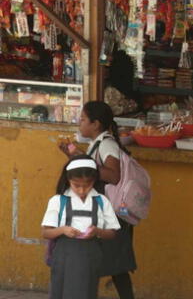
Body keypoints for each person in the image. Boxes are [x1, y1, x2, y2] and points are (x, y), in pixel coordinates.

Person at [59, 101, 136, 299]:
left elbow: (113, 175)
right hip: (105, 212)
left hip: (111, 213)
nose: (79, 123)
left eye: (83, 119)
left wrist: (85, 162)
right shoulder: (98, 143)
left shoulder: (107, 143)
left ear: (96, 124)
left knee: (111, 263)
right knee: (115, 264)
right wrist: (74, 156)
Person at [42, 155, 120, 299]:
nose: (82, 190)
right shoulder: (58, 201)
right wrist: (63, 229)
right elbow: (46, 232)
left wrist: (97, 231)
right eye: (76, 185)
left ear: (94, 181)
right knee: (62, 293)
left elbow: (112, 233)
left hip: (90, 257)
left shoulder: (102, 201)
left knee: (86, 293)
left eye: (87, 185)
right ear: (68, 180)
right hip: (64, 257)